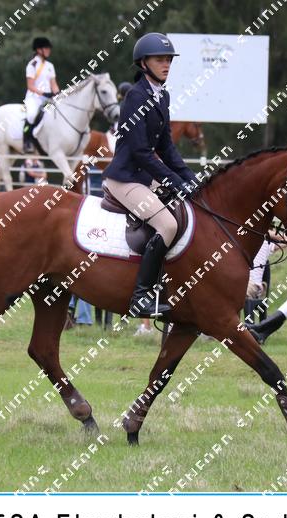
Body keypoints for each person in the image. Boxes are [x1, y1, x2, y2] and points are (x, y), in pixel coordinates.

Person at [102, 32, 198, 318]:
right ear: (144, 63)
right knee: (167, 225)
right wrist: (175, 182)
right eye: (160, 60)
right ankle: (141, 297)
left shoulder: (162, 95)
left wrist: (190, 177)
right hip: (126, 178)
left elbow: (166, 147)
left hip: (144, 177)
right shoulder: (134, 96)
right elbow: (142, 152)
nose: (166, 64)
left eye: (169, 60)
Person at [23, 37, 60, 154]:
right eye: (46, 48)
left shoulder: (50, 66)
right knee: (32, 115)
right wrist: (44, 93)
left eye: (49, 48)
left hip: (48, 99)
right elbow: (30, 86)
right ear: (39, 50)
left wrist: (58, 95)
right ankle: (27, 140)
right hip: (34, 98)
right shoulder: (32, 65)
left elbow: (54, 84)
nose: (49, 50)